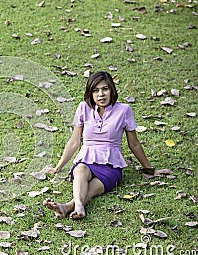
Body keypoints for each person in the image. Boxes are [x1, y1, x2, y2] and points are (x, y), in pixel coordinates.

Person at [43, 71, 155, 219]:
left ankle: (67, 207)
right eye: (96, 90)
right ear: (90, 93)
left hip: (110, 167)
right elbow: (74, 141)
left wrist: (149, 169)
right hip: (86, 161)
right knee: (81, 170)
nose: (101, 94)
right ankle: (77, 207)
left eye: (105, 89)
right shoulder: (84, 107)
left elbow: (133, 143)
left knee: (90, 190)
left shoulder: (124, 110)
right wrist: (58, 167)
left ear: (112, 90)